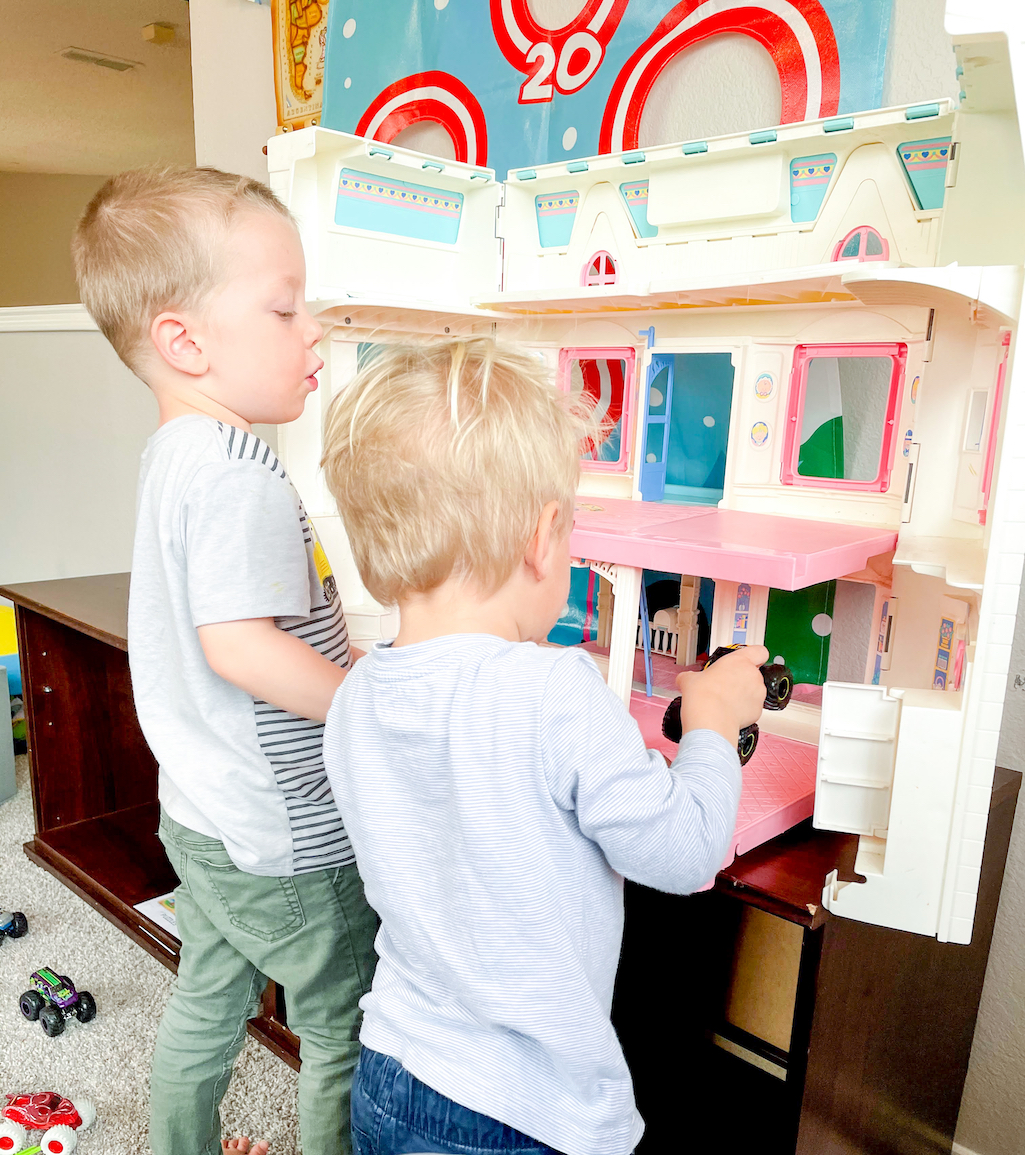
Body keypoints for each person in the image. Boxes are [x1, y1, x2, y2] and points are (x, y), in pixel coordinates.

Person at [319, 340, 767, 1155]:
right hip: (518, 1109)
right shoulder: (553, 689)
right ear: (542, 537)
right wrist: (710, 722)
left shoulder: (353, 699)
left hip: (389, 1074)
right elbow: (681, 850)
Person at [71, 167, 378, 1155]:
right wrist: (366, 699)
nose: (314, 329)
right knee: (342, 1025)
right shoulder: (241, 472)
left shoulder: (175, 454)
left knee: (209, 992)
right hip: (281, 832)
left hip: (201, 813)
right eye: (286, 308)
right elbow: (240, 644)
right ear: (184, 341)